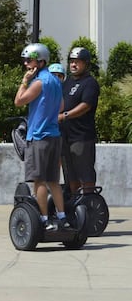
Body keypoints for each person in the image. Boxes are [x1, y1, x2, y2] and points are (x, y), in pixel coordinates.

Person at [14, 43, 71, 230]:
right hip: (54, 135)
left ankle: (45, 220)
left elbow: (18, 101)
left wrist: (24, 81)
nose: (26, 64)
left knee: (39, 181)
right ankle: (62, 217)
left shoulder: (38, 82)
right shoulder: (55, 81)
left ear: (40, 61)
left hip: (39, 137)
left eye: (29, 60)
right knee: (53, 180)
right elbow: (61, 107)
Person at [58, 47, 99, 195]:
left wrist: (65, 115)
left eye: (77, 62)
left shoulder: (90, 83)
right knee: (70, 173)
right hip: (65, 135)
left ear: (85, 64)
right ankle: (75, 204)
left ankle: (89, 202)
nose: (73, 65)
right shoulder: (67, 81)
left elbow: (86, 106)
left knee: (85, 172)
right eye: (71, 62)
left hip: (81, 136)